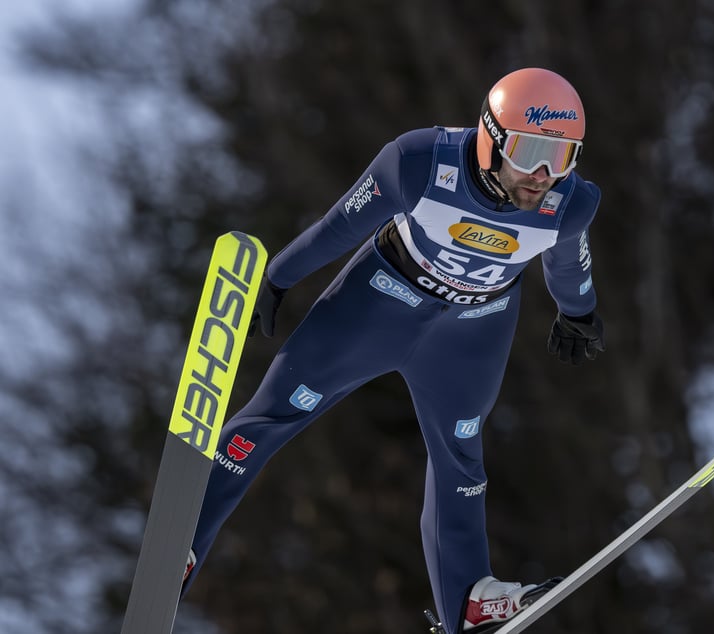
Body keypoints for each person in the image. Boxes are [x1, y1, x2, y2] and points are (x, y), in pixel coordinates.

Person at [182, 67, 605, 633]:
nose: (544, 174)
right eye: (530, 152)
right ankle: (182, 540)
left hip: (472, 329)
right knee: (276, 410)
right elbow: (340, 225)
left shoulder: (571, 201)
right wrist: (278, 277)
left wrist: (579, 314)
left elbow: (566, 263)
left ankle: (469, 600)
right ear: (490, 136)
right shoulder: (419, 161)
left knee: (461, 455)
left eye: (563, 155)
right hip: (380, 303)